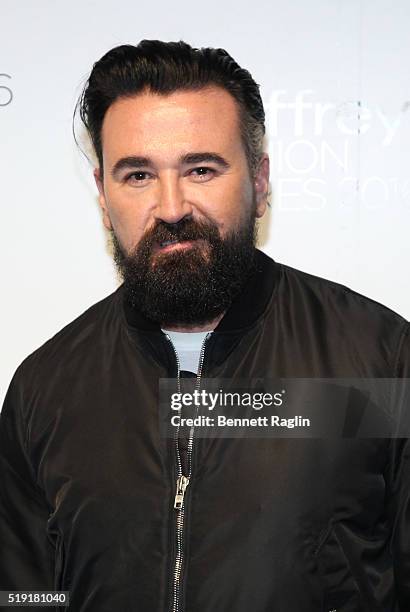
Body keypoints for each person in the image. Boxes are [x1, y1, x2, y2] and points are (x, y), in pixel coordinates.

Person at [0, 39, 409, 612]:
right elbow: (24, 594)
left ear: (260, 182)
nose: (171, 208)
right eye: (138, 175)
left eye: (201, 169)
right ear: (102, 193)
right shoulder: (44, 387)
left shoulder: (381, 361)